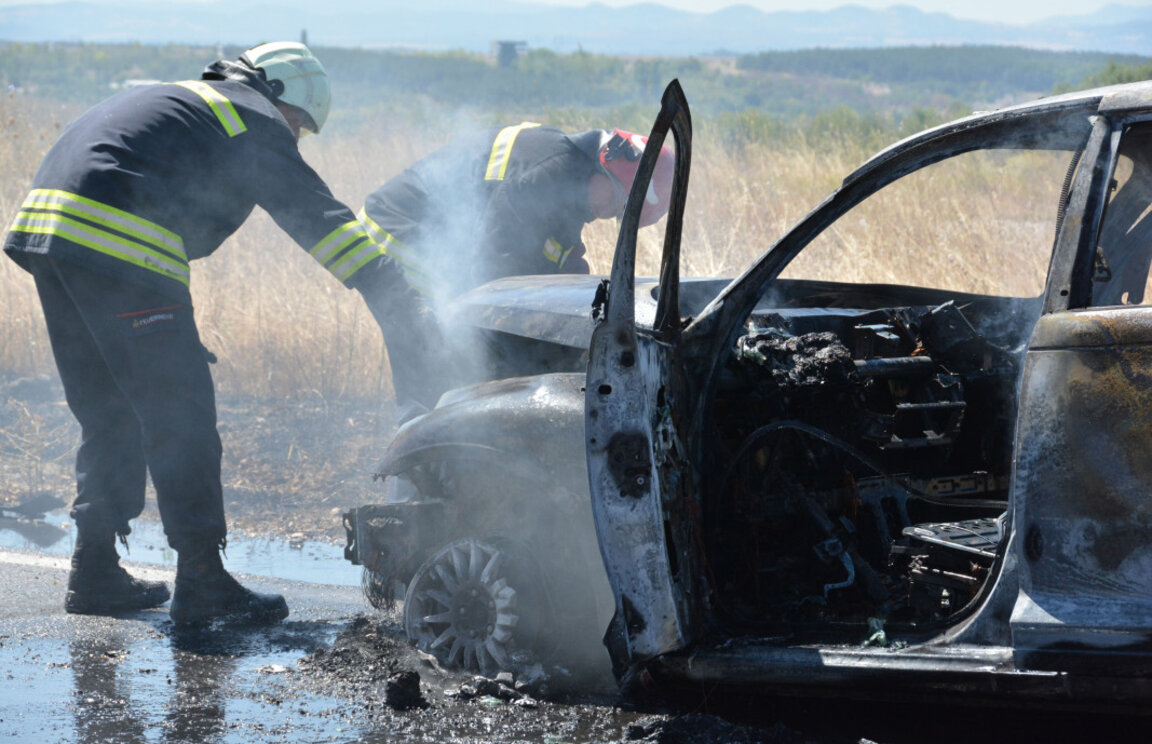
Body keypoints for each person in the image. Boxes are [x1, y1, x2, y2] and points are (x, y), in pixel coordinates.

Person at [3, 42, 431, 626]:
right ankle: (203, 580)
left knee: (111, 410)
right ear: (278, 93)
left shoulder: (187, 101)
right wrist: (393, 290)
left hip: (49, 234)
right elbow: (318, 217)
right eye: (299, 126)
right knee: (181, 415)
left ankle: (95, 569)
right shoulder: (251, 117)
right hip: (115, 234)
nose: (295, 139)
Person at [358, 123, 674, 415]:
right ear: (607, 168)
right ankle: (419, 459)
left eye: (619, 214)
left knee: (465, 368)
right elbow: (497, 269)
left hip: (444, 246)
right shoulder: (546, 173)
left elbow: (557, 265)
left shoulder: (568, 184)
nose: (607, 215)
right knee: (442, 363)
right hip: (399, 235)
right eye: (618, 202)